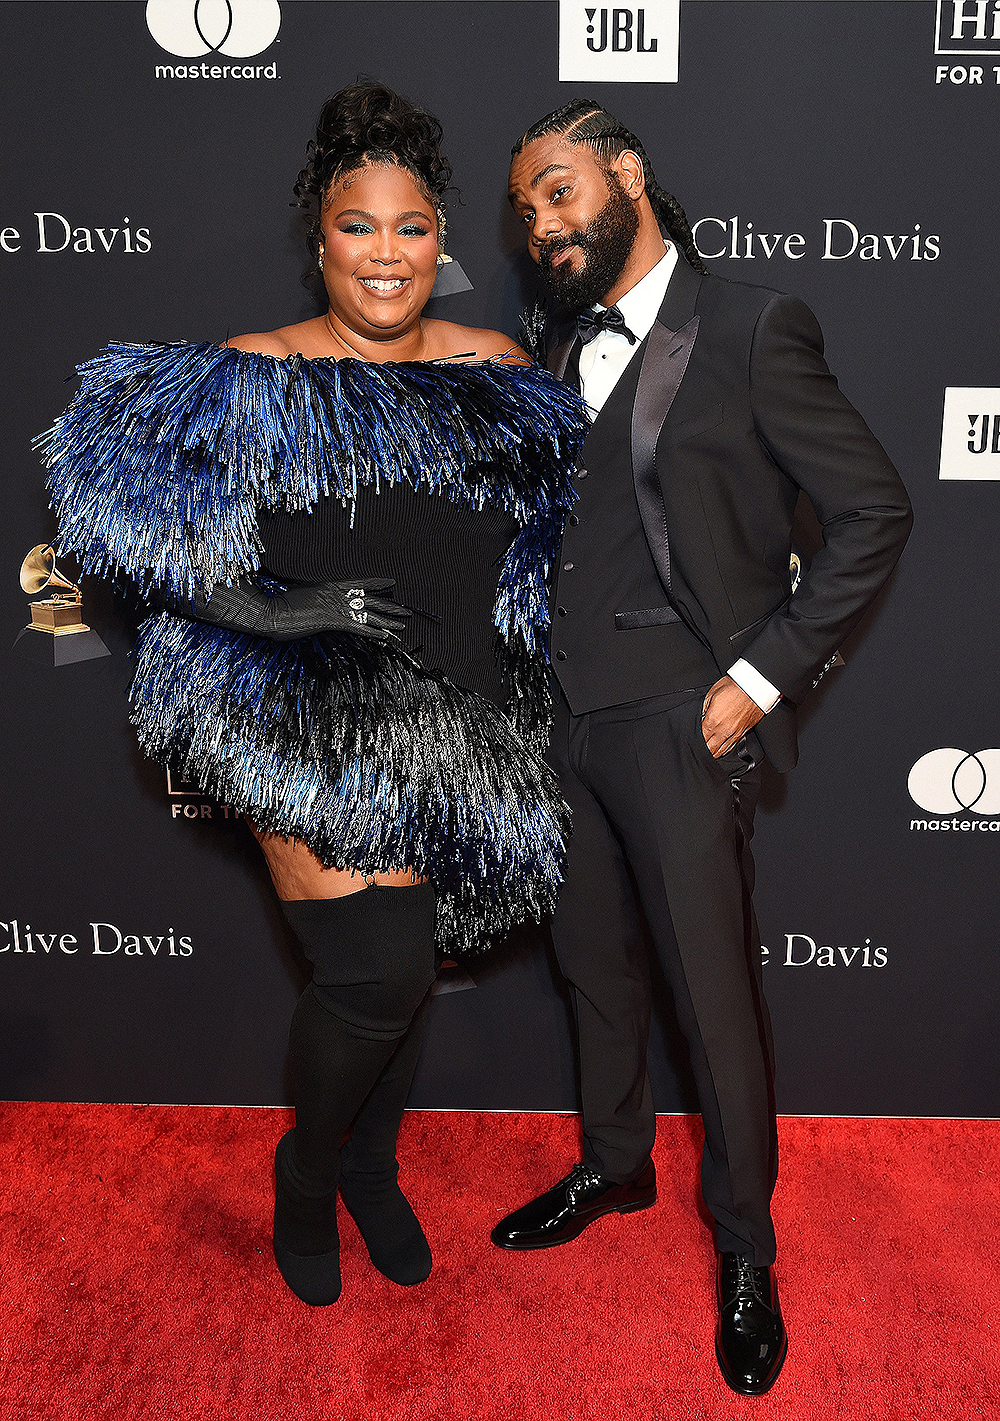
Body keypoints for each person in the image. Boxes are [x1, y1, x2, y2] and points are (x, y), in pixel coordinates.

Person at [39, 82, 587, 1309]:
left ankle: (372, 1169)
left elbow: (559, 541)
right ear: (319, 237)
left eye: (409, 227)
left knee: (406, 966)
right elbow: (119, 526)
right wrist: (293, 613)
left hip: (458, 719)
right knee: (378, 972)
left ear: (440, 238)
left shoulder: (496, 369)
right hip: (297, 713)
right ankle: (306, 1169)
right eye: (358, 225)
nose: (385, 254)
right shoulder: (248, 374)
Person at [500, 100, 912, 1395]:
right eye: (524, 210)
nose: (542, 223)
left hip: (682, 721)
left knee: (712, 1005)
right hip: (561, 720)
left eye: (559, 191)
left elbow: (872, 509)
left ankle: (745, 1249)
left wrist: (756, 675)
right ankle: (616, 1166)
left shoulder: (749, 325)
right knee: (595, 974)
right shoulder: (551, 348)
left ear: (627, 173)